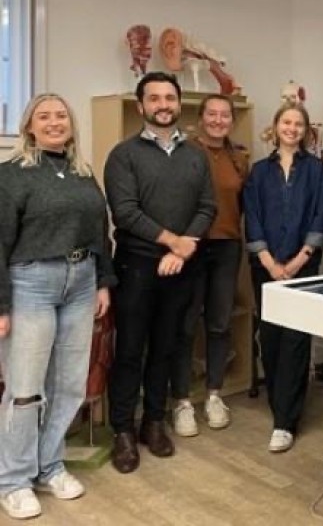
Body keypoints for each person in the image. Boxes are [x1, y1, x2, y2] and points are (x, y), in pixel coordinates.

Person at [0, 94, 115, 519]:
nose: (54, 122)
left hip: (81, 282)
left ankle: (49, 466)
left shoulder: (83, 173)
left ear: (71, 124)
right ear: (29, 126)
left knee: (69, 385)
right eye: (44, 116)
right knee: (26, 390)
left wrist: (102, 282)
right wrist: (1, 305)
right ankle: (13, 480)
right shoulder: (11, 174)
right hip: (30, 283)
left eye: (61, 115)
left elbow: (101, 231)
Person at [104, 71, 216, 474]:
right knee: (130, 350)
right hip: (137, 266)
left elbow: (207, 207)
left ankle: (153, 422)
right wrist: (174, 242)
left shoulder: (195, 154)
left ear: (178, 103)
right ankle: (123, 430)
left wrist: (184, 247)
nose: (163, 105)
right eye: (154, 98)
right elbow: (125, 212)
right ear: (141, 106)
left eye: (170, 97)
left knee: (166, 348)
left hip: (182, 267)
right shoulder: (124, 155)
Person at [244, 102, 323, 453]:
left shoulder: (315, 170)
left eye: (299, 124)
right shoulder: (259, 172)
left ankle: (285, 422)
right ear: (276, 126)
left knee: (295, 342)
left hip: (302, 269)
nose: (292, 128)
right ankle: (278, 406)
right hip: (265, 268)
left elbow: (321, 215)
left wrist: (297, 262)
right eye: (286, 122)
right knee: (271, 339)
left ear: (306, 131)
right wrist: (269, 262)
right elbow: (252, 217)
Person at [170, 94, 249, 437]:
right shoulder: (184, 152)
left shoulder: (239, 158)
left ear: (232, 120)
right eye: (212, 114)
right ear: (201, 118)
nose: (218, 120)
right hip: (190, 247)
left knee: (219, 322)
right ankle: (182, 401)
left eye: (225, 115)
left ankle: (214, 394)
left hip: (227, 247)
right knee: (185, 324)